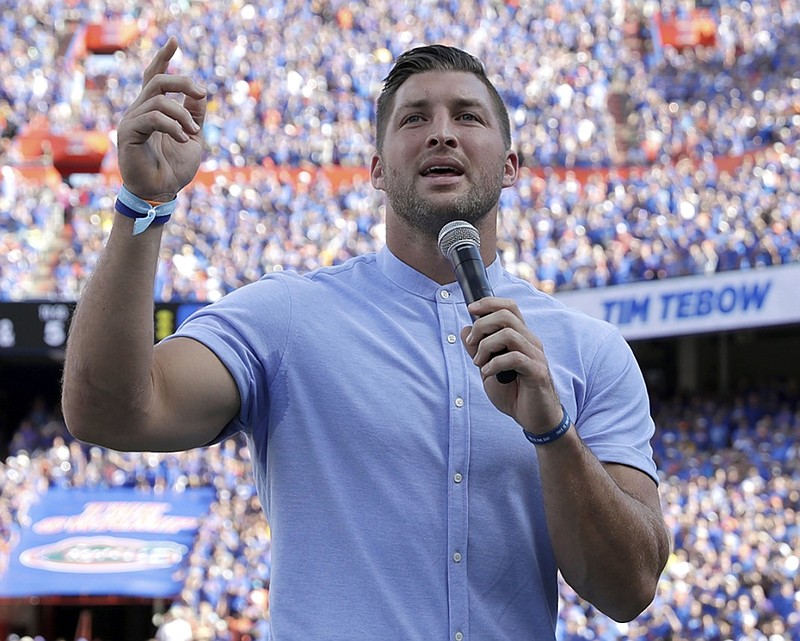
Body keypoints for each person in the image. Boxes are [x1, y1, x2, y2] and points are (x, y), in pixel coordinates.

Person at [62, 37, 670, 640]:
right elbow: (108, 411)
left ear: (510, 165)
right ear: (377, 170)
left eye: (467, 115)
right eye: (414, 118)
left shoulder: (589, 349)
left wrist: (553, 433)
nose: (441, 134)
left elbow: (629, 589)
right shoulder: (287, 318)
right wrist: (143, 202)